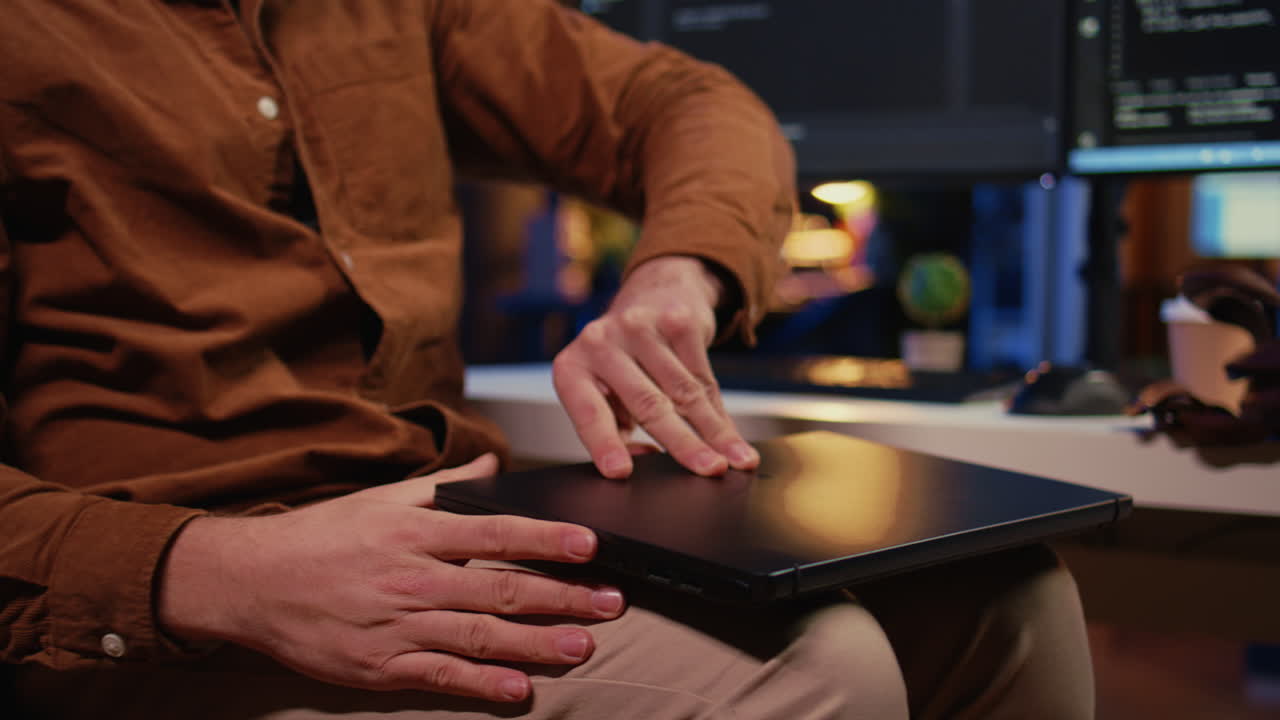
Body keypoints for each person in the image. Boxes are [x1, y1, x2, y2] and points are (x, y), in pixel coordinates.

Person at [0, 1, 1095, 717]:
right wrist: (217, 574)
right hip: (175, 583)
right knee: (815, 674)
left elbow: (683, 103)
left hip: (438, 515)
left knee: (1003, 595)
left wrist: (680, 273)